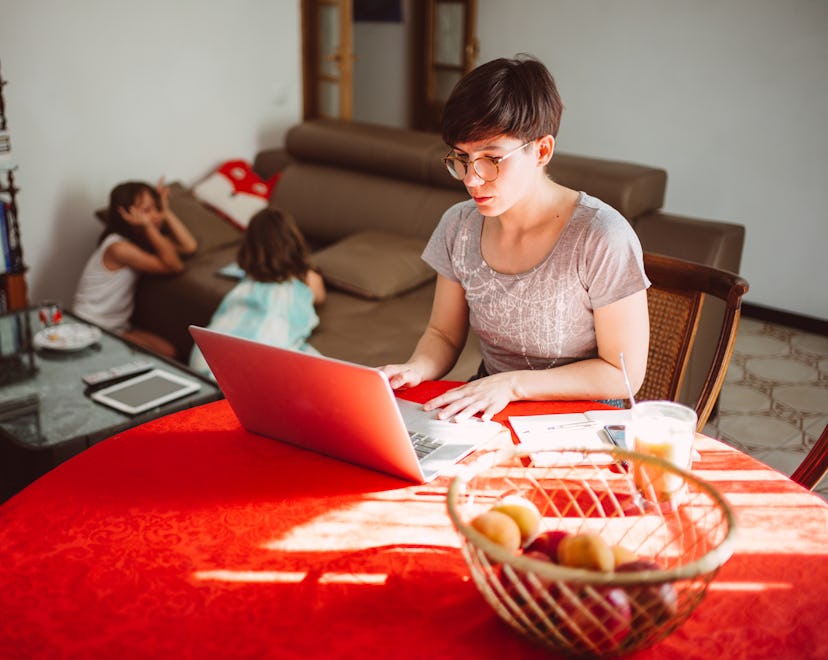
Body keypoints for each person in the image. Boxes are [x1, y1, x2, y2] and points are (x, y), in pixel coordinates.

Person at [381, 55, 650, 422]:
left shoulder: (600, 236)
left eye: (491, 159)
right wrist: (415, 368)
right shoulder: (459, 226)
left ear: (541, 150)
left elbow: (624, 375)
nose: (471, 180)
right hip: (493, 404)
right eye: (462, 158)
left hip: (584, 416)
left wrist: (512, 385)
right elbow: (442, 334)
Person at [188, 207, 326, 379]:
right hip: (256, 359)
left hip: (205, 357)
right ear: (293, 240)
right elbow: (319, 297)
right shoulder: (306, 277)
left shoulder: (250, 276)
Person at [73, 178, 198, 358]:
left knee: (170, 352)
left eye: (156, 208)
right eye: (147, 210)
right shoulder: (118, 248)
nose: (155, 215)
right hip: (92, 326)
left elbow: (189, 246)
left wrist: (167, 211)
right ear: (126, 214)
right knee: (166, 355)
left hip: (118, 326)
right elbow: (174, 266)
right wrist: (148, 226)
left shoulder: (143, 241)